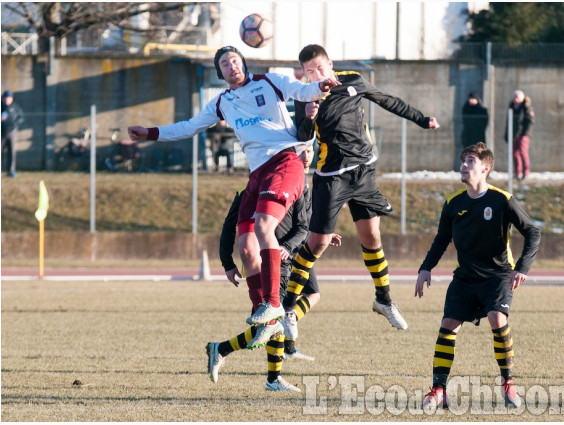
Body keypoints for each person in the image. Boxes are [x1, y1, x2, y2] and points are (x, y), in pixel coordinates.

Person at [128, 46, 340, 391]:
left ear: (245, 63)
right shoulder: (221, 103)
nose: (232, 65)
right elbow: (188, 127)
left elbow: (303, 91)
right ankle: (263, 313)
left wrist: (321, 86)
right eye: (225, 63)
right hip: (256, 172)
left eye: (236, 60)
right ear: (220, 72)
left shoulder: (269, 81)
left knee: (263, 228)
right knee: (245, 248)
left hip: (285, 160)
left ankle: (272, 306)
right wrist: (150, 133)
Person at [280, 44, 440, 337]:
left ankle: (384, 300)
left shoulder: (353, 80)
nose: (316, 74)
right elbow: (301, 136)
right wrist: (310, 116)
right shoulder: (304, 97)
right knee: (317, 244)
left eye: (320, 68)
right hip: (331, 176)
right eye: (309, 71)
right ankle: (288, 308)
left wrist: (421, 118)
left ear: (330, 64)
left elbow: (387, 100)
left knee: (372, 237)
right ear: (304, 74)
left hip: (364, 171)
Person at [414, 142, 541, 410]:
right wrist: (426, 267)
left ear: (485, 168)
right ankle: (438, 391)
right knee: (448, 325)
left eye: (470, 161)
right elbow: (441, 240)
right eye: (462, 160)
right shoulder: (453, 203)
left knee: (497, 318)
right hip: (465, 278)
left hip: (497, 276)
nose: (463, 165)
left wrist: (522, 268)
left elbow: (532, 231)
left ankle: (508, 384)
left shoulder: (501, 200)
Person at [207, 147, 332, 392]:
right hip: (262, 266)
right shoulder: (248, 192)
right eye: (301, 150)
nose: (306, 155)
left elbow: (304, 225)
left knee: (275, 320)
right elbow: (229, 227)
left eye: (309, 150)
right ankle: (267, 375)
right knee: (271, 322)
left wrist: (291, 244)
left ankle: (226, 352)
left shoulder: (298, 188)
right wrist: (228, 263)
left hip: (288, 258)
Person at [505, 90, 534, 180]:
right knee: (515, 153)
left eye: (517, 97)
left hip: (523, 135)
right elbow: (508, 121)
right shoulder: (512, 107)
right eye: (514, 97)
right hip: (514, 134)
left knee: (523, 152)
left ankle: (526, 172)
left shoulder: (526, 107)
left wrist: (523, 133)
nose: (515, 99)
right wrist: (507, 133)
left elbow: (529, 122)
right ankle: (517, 172)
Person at [1, 90, 24, 178]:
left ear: (12, 99)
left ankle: (11, 171)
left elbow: (21, 117)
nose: (7, 100)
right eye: (5, 98)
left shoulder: (16, 107)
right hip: (1, 132)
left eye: (9, 98)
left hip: (12, 132)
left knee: (12, 152)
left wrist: (15, 124)